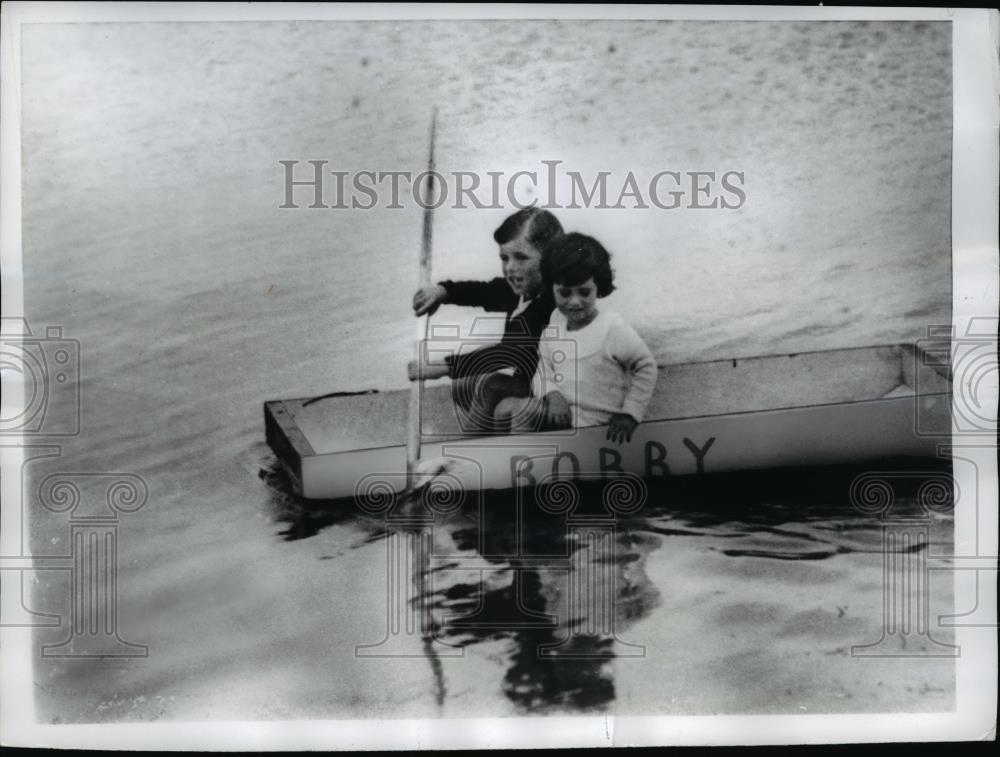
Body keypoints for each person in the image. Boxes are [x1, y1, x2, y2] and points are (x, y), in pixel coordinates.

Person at [408, 207, 564, 431]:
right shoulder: (522, 291)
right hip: (532, 382)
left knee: (491, 385)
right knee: (463, 385)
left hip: (557, 396)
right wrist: (443, 291)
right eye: (504, 258)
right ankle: (491, 433)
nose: (510, 267)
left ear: (551, 261)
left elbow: (508, 353)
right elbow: (481, 292)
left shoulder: (551, 303)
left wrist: (442, 367)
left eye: (521, 257)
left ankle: (473, 444)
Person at [496, 232, 658, 443]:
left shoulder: (612, 328)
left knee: (519, 412)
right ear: (552, 289)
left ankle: (522, 454)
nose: (574, 302)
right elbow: (543, 368)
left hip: (599, 426)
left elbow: (646, 366)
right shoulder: (556, 324)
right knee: (505, 408)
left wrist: (630, 413)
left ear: (598, 288)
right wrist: (553, 395)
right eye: (564, 293)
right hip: (562, 414)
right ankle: (511, 455)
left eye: (584, 292)